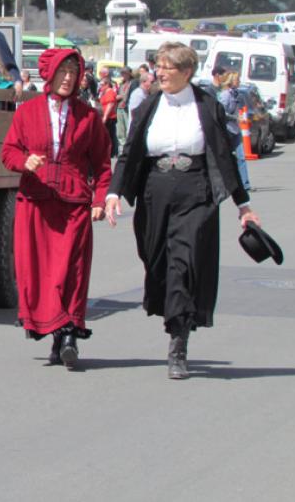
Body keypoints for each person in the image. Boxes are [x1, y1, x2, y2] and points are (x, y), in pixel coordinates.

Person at [105, 42, 260, 380]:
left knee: (183, 263)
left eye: (167, 67)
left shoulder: (206, 106)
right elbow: (130, 151)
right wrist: (114, 192)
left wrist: (242, 204)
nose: (159, 73)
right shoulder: (148, 106)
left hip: (195, 192)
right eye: (158, 66)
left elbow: (223, 156)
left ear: (186, 72)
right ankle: (172, 315)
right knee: (157, 261)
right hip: (155, 192)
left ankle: (179, 342)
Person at [0, 49, 112, 369]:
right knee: (40, 274)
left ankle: (68, 334)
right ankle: (56, 334)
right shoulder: (27, 112)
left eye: (73, 72)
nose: (67, 78)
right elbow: (9, 151)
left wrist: (100, 199)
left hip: (75, 205)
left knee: (70, 272)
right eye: (62, 71)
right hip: (36, 203)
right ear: (48, 74)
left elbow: (103, 165)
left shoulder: (88, 118)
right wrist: (25, 161)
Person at [218, 71, 252, 191]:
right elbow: (221, 112)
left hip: (236, 130)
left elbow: (242, 108)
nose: (239, 82)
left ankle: (245, 184)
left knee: (241, 157)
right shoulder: (225, 95)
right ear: (231, 81)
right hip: (227, 130)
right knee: (225, 158)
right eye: (237, 80)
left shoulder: (237, 94)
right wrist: (235, 118)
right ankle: (223, 183)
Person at [98, 73, 119, 157]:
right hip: (105, 116)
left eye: (102, 84)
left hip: (110, 117)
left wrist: (105, 117)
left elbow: (110, 105)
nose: (101, 86)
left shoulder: (110, 92)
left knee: (109, 135)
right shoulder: (104, 92)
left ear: (107, 84)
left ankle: (110, 152)